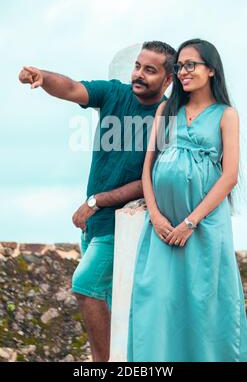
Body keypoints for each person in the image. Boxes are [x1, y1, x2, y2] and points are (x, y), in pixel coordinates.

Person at [18, 40, 176, 362]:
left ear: (168, 79)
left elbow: (151, 181)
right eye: (137, 66)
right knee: (107, 299)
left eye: (150, 70)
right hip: (93, 224)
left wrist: (97, 201)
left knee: (85, 286)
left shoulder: (170, 119)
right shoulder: (115, 93)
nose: (139, 74)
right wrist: (43, 77)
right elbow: (74, 88)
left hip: (122, 225)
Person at [127, 38, 247, 362]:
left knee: (204, 307)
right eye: (179, 66)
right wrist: (156, 217)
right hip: (162, 230)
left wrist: (190, 223)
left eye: (190, 65)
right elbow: (147, 169)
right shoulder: (168, 109)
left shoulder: (226, 115)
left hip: (204, 228)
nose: (182, 71)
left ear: (211, 70)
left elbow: (230, 176)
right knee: (156, 302)